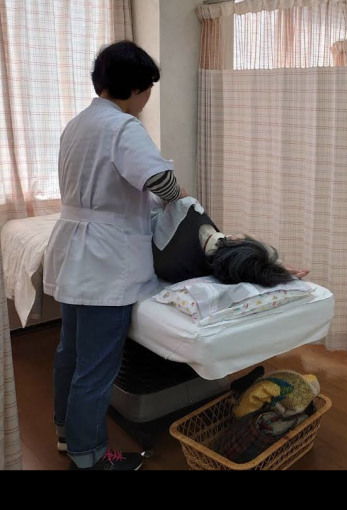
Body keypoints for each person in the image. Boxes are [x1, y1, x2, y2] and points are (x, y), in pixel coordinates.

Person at [43, 41, 188, 471]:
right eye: (149, 90)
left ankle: (67, 435)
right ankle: (92, 458)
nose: (147, 100)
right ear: (136, 88)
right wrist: (181, 199)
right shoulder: (124, 128)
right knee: (97, 367)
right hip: (105, 261)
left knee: (70, 353)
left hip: (74, 253)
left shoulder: (77, 124)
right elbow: (162, 182)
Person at [150, 197, 309, 285]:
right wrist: (272, 268)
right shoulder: (199, 272)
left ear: (236, 240)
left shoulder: (188, 210)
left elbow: (167, 189)